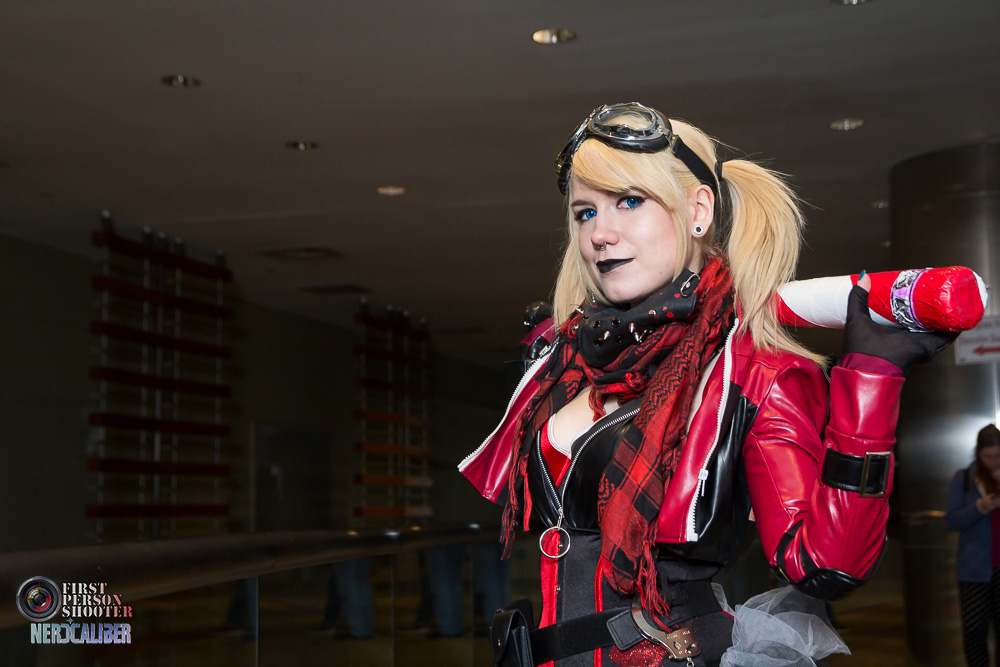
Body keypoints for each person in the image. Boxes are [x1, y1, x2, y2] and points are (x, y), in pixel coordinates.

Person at [458, 102, 954, 667]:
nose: (600, 233)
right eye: (585, 212)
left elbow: (826, 566)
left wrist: (871, 380)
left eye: (629, 201)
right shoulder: (571, 361)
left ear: (697, 210)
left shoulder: (752, 371)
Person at [946, 424, 1000, 667]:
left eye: (998, 456)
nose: (993, 462)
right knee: (974, 630)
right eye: (988, 456)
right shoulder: (965, 478)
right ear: (978, 453)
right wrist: (980, 507)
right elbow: (952, 519)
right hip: (974, 570)